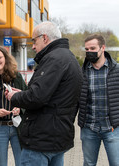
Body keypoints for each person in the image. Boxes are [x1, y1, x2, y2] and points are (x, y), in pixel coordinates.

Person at [6, 21, 83, 166]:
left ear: (45, 38)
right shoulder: (70, 58)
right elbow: (53, 95)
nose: (33, 46)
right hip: (58, 137)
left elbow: (36, 97)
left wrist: (14, 97)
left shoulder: (53, 59)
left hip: (41, 140)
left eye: (34, 41)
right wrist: (25, 93)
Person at [78, 34, 119, 166]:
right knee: (89, 164)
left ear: (102, 48)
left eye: (92, 48)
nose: (89, 52)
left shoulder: (116, 70)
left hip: (112, 128)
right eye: (87, 49)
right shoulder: (82, 72)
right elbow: (75, 99)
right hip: (89, 128)